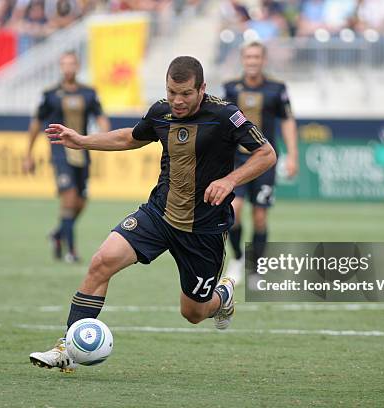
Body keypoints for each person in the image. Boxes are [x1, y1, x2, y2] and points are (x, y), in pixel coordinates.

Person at [29, 56, 276, 372]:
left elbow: (266, 153)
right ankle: (68, 346)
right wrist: (82, 141)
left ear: (202, 88)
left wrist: (230, 180)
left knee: (194, 313)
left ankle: (222, 297)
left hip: (204, 229)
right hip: (159, 214)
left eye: (186, 93)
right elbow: (130, 137)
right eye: (172, 91)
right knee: (101, 262)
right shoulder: (161, 111)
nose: (177, 100)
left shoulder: (225, 115)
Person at [222, 41, 298, 284]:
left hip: (264, 162)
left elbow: (287, 121)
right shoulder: (230, 89)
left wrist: (293, 155)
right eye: (248, 57)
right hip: (236, 161)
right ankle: (238, 259)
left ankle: (256, 268)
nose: (252, 61)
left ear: (263, 60)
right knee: (233, 211)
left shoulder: (277, 89)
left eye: (257, 57)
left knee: (260, 217)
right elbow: (220, 123)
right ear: (243, 60)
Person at [24, 51, 110, 263]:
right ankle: (71, 251)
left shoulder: (89, 93)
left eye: (72, 63)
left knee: (81, 202)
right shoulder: (51, 94)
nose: (68, 67)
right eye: (65, 64)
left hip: (82, 151)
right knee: (70, 198)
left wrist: (104, 138)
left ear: (78, 66)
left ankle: (58, 233)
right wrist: (28, 154)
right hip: (60, 152)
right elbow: (36, 123)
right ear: (61, 67)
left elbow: (101, 118)